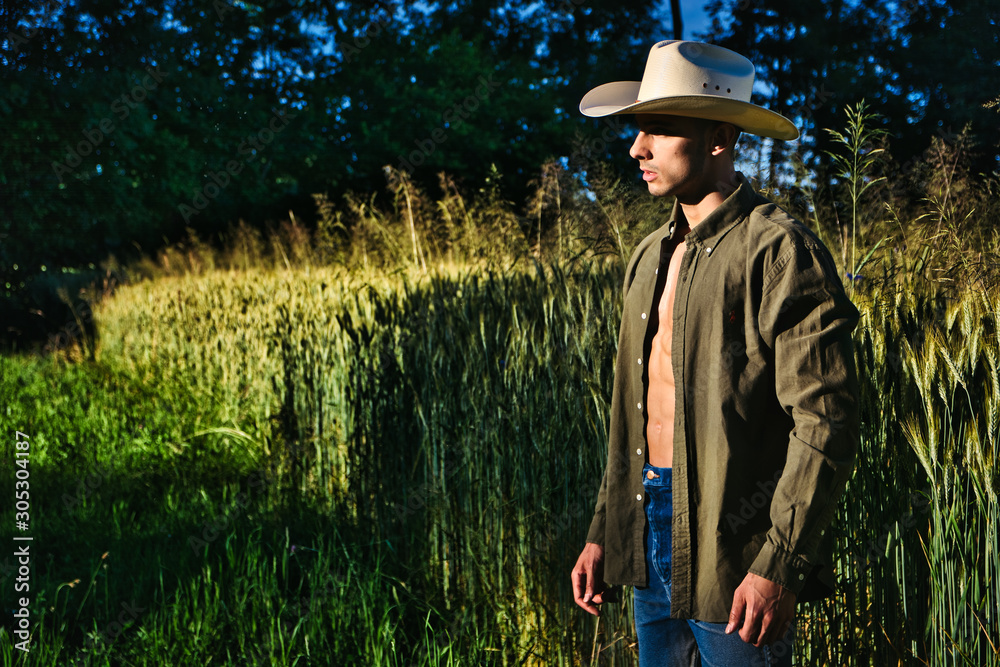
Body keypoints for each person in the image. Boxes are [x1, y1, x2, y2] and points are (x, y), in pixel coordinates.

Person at [570, 40, 860, 666]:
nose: (636, 149)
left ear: (720, 138)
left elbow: (826, 417)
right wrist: (605, 528)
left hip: (734, 548)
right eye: (636, 131)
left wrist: (778, 562)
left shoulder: (778, 251)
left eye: (658, 130)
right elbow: (636, 411)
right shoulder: (649, 255)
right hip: (648, 527)